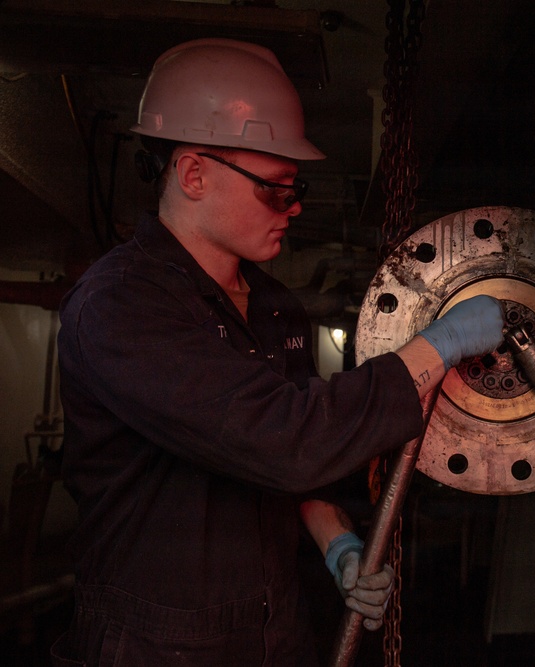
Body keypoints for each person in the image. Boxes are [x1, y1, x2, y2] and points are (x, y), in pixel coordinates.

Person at [53, 38, 504, 666]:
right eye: (274, 189)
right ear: (193, 174)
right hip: (155, 643)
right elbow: (287, 440)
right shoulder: (122, 308)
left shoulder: (272, 305)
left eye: (297, 189)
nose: (292, 209)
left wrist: (336, 545)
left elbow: (294, 471)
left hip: (272, 630)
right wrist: (438, 347)